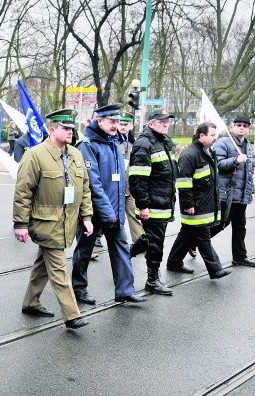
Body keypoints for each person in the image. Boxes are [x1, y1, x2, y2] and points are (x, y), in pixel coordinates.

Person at [13, 108, 92, 330]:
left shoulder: (76, 154)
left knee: (43, 263)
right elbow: (23, 192)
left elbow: (85, 189)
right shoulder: (35, 155)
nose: (70, 132)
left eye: (71, 128)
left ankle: (31, 302)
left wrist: (87, 217)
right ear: (52, 129)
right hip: (45, 222)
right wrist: (20, 224)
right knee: (59, 267)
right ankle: (71, 314)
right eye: (65, 128)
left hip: (68, 221)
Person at [71, 104, 146, 305]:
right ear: (100, 121)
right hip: (94, 211)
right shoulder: (88, 145)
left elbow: (119, 179)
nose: (116, 126)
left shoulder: (114, 142)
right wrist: (109, 213)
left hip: (114, 209)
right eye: (112, 122)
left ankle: (125, 290)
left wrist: (118, 210)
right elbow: (93, 184)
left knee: (121, 247)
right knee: (84, 251)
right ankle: (78, 289)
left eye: (117, 122)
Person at [166, 123, 231, 279]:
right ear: (201, 135)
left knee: (186, 235)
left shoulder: (208, 152)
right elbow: (183, 183)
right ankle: (215, 269)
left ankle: (174, 262)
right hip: (195, 206)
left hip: (203, 205)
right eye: (212, 135)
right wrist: (188, 204)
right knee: (203, 237)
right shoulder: (190, 155)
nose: (215, 138)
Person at [128, 108, 178, 296]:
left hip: (164, 203)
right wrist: (143, 205)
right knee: (155, 242)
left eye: (167, 121)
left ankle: (126, 256)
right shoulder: (144, 144)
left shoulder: (164, 142)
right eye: (161, 121)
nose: (166, 124)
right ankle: (152, 279)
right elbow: (137, 179)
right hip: (152, 205)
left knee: (153, 240)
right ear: (151, 123)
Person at [211, 115, 255, 267]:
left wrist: (251, 191)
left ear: (248, 128)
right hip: (227, 193)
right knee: (221, 224)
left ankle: (239, 257)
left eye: (245, 125)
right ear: (233, 126)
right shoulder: (224, 142)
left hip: (242, 195)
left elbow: (250, 172)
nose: (241, 127)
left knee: (240, 226)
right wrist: (235, 160)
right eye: (238, 124)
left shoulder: (248, 145)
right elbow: (218, 164)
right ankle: (195, 241)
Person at [117, 112, 148, 257]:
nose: (123, 127)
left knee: (133, 213)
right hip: (114, 186)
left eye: (126, 124)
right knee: (107, 216)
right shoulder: (112, 142)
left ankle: (140, 240)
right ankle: (96, 238)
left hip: (129, 186)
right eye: (120, 124)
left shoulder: (133, 144)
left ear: (131, 126)